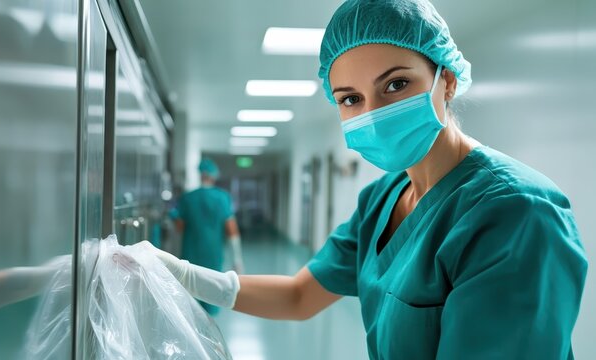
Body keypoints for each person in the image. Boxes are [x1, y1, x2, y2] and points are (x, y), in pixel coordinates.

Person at [134, 0, 588, 358]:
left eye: (395, 85)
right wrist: (183, 275)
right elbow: (299, 296)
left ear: (445, 80)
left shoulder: (517, 213)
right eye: (350, 99)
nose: (373, 113)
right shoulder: (382, 199)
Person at [171, 158, 244, 315]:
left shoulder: (187, 198)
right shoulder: (222, 198)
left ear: (200, 175)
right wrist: (237, 260)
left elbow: (179, 227)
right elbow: (231, 230)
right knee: (211, 298)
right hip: (213, 256)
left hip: (189, 255)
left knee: (188, 300)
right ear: (213, 176)